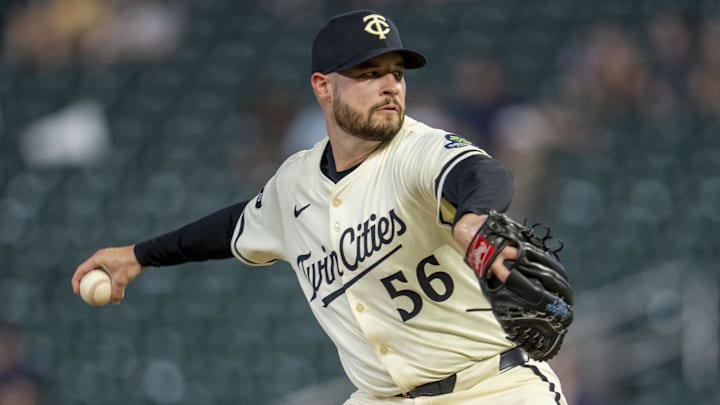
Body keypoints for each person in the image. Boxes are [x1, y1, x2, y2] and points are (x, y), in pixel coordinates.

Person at [72, 10, 568, 404]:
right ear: (323, 87)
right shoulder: (294, 184)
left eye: (395, 73)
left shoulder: (418, 149)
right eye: (368, 73)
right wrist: (137, 256)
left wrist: (474, 218)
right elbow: (231, 227)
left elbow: (481, 173)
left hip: (493, 390)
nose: (390, 85)